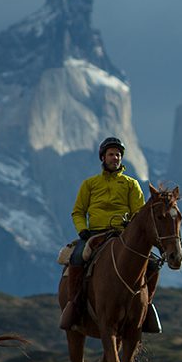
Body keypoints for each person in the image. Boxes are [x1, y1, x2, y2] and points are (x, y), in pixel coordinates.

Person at [61, 137, 160, 332]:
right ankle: (75, 304)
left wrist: (130, 229)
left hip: (122, 235)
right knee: (77, 257)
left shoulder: (131, 184)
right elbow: (78, 211)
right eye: (111, 154)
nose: (115, 158)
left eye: (118, 154)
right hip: (95, 234)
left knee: (153, 264)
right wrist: (83, 229)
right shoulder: (90, 184)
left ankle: (146, 307)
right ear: (103, 158)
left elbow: (138, 214)